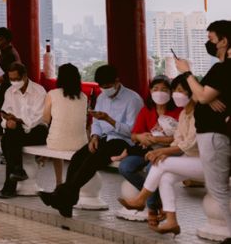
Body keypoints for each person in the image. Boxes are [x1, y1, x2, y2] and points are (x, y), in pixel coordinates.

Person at [38, 64, 143, 217]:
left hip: (124, 141)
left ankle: (60, 196)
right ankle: (66, 201)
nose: (106, 90)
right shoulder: (101, 97)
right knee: (77, 158)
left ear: (117, 81)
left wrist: (110, 120)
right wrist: (94, 136)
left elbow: (134, 131)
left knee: (92, 161)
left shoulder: (132, 99)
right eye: (102, 86)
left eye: (108, 86)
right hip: (104, 138)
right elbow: (97, 123)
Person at [118, 75, 201, 234]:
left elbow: (187, 143)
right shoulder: (183, 113)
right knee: (153, 174)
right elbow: (178, 140)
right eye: (155, 89)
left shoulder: (191, 112)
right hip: (160, 151)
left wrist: (162, 148)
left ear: (192, 93)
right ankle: (171, 221)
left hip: (194, 157)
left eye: (180, 91)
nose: (177, 95)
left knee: (156, 166)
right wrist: (144, 139)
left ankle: (145, 203)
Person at [174, 19, 231, 238]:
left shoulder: (222, 68)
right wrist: (206, 97)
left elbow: (201, 95)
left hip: (214, 135)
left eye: (211, 39)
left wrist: (187, 72)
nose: (208, 43)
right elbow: (205, 96)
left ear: (223, 41)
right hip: (215, 134)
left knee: (218, 189)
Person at [114, 75, 180, 218]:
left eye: (164, 89)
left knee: (152, 168)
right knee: (125, 167)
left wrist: (160, 139)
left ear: (170, 92)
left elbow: (182, 139)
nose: (159, 92)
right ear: (150, 91)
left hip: (170, 150)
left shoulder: (178, 111)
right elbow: (134, 135)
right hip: (148, 149)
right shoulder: (146, 110)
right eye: (155, 89)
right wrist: (141, 137)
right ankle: (156, 201)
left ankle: (151, 209)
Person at [0, 62, 48, 199]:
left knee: (7, 140)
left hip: (38, 131)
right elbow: (5, 113)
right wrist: (8, 122)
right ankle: (17, 170)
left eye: (16, 79)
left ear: (25, 76)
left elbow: (39, 117)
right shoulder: (9, 92)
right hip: (16, 132)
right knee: (10, 136)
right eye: (11, 79)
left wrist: (18, 121)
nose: (14, 82)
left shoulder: (39, 91)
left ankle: (11, 184)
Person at [42, 63, 88, 185]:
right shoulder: (84, 96)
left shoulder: (52, 93)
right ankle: (72, 181)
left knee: (56, 138)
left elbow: (45, 119)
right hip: (81, 144)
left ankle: (58, 182)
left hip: (56, 143)